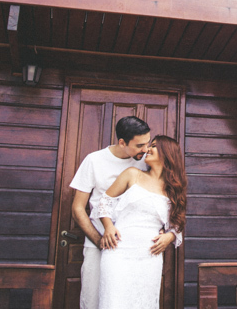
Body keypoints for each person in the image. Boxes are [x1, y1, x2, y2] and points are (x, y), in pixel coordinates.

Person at [70, 117, 181, 309]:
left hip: (136, 247)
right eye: (140, 145)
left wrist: (169, 234)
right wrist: (101, 239)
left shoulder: (143, 163)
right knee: (95, 299)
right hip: (101, 241)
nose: (146, 149)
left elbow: (162, 204)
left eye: (148, 144)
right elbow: (78, 208)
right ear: (122, 142)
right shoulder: (94, 161)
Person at [94, 135, 187, 309]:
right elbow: (104, 201)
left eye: (154, 146)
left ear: (168, 153)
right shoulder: (132, 174)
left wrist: (170, 237)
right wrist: (108, 226)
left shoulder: (173, 189)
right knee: (113, 302)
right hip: (119, 251)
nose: (147, 149)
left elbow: (178, 223)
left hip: (148, 256)